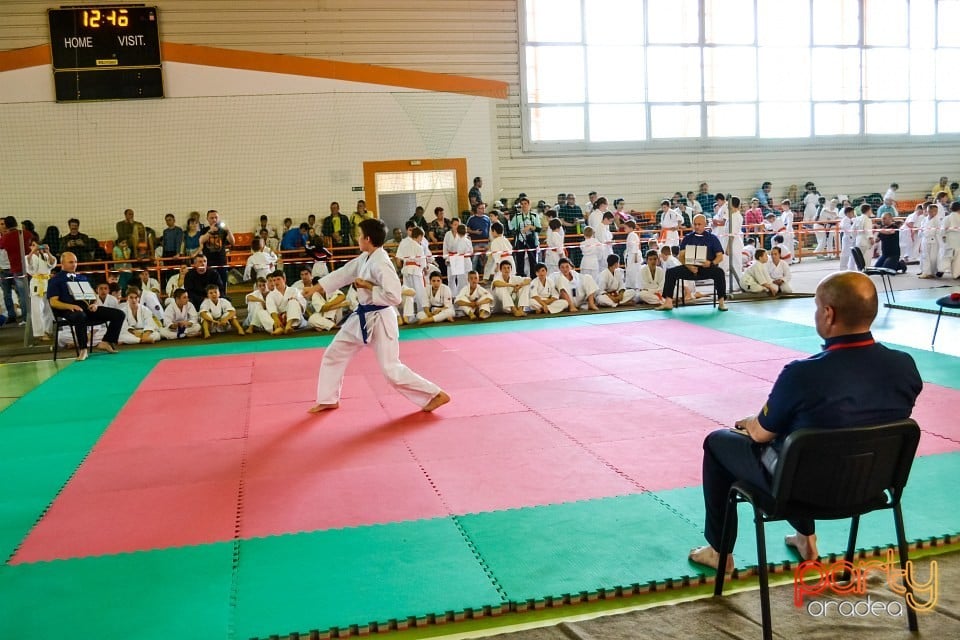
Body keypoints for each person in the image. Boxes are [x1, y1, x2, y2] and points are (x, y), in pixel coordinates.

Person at [688, 271, 922, 572]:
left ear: (828, 313)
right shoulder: (904, 366)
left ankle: (720, 551)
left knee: (719, 442)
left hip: (799, 491)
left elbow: (760, 434)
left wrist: (749, 422)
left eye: (816, 308)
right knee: (806, 436)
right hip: (872, 486)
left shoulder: (801, 374)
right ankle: (805, 539)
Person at [303, 218, 450, 414]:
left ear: (368, 239)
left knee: (390, 370)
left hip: (381, 318)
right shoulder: (366, 257)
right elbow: (343, 273)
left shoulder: (381, 262)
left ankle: (435, 394)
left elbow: (395, 296)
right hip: (362, 316)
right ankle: (328, 398)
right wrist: (315, 288)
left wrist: (368, 286)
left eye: (359, 235)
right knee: (334, 352)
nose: (357, 238)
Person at [46, 252, 125, 360]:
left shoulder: (82, 278)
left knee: (119, 314)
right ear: (62, 263)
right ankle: (83, 349)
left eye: (75, 262)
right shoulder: (55, 280)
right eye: (70, 262)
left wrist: (95, 304)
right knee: (80, 316)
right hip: (68, 311)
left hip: (87, 309)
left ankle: (106, 341)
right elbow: (53, 302)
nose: (74, 264)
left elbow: (93, 296)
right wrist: (70, 306)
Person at [656, 214, 729, 312]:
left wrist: (711, 263)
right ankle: (668, 302)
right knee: (671, 272)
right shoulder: (687, 238)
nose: (697, 226)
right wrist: (688, 266)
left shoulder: (712, 238)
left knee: (719, 272)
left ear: (705, 224)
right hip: (689, 268)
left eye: (699, 224)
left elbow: (720, 256)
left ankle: (721, 302)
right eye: (695, 224)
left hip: (706, 268)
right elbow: (681, 256)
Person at [25, 240, 57, 339]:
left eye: (38, 245)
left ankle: (48, 331)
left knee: (48, 308)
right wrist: (32, 252)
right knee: (37, 309)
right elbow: (28, 265)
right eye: (34, 245)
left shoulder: (45, 256)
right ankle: (39, 333)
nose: (37, 247)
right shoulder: (28, 256)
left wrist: (48, 251)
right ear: (30, 247)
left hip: (47, 282)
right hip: (36, 283)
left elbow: (53, 264)